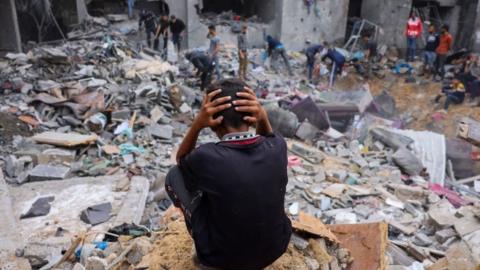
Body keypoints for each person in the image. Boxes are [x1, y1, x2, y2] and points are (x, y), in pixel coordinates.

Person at [165, 78, 292, 270]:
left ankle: (204, 237)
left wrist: (197, 125)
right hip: (275, 249)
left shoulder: (206, 157)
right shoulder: (278, 147)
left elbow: (181, 161)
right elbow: (269, 137)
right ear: (252, 114)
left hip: (220, 259)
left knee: (175, 176)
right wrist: (263, 117)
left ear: (213, 121)